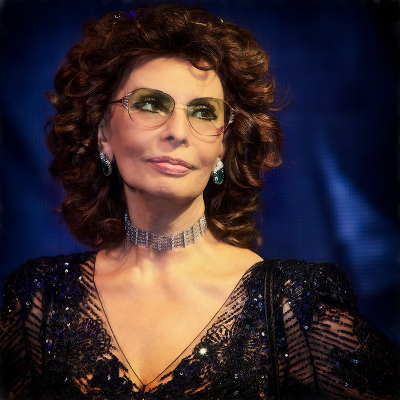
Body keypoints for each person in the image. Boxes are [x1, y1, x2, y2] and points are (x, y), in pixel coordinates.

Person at [0, 4, 398, 399]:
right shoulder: (41, 301)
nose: (178, 131)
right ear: (104, 133)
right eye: (150, 104)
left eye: (204, 112)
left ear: (223, 146)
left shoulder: (290, 305)